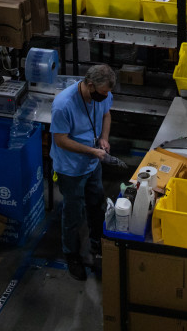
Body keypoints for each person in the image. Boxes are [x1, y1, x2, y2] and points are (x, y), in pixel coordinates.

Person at [50, 64, 116, 280]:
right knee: (73, 212)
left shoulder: (102, 95)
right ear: (89, 85)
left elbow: (107, 115)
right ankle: (71, 254)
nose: (105, 96)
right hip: (71, 169)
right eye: (103, 93)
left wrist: (104, 138)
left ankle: (97, 242)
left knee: (96, 203)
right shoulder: (63, 105)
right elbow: (60, 140)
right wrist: (92, 151)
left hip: (92, 164)